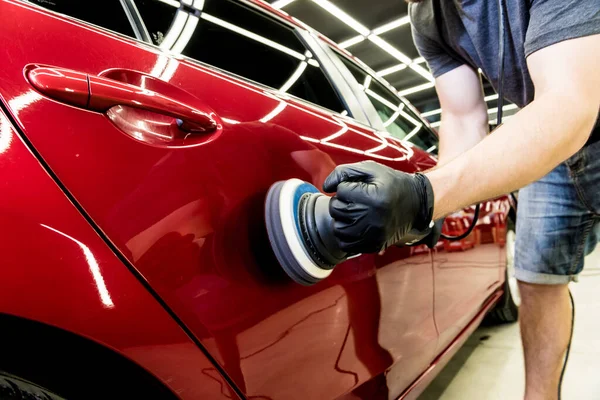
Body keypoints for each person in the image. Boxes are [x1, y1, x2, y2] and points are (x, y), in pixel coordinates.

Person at [322, 1, 600, 399]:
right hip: (548, 135)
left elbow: (569, 101)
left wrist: (424, 195)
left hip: (572, 111)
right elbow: (462, 117)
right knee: (538, 278)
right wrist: (435, 201)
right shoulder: (426, 14)